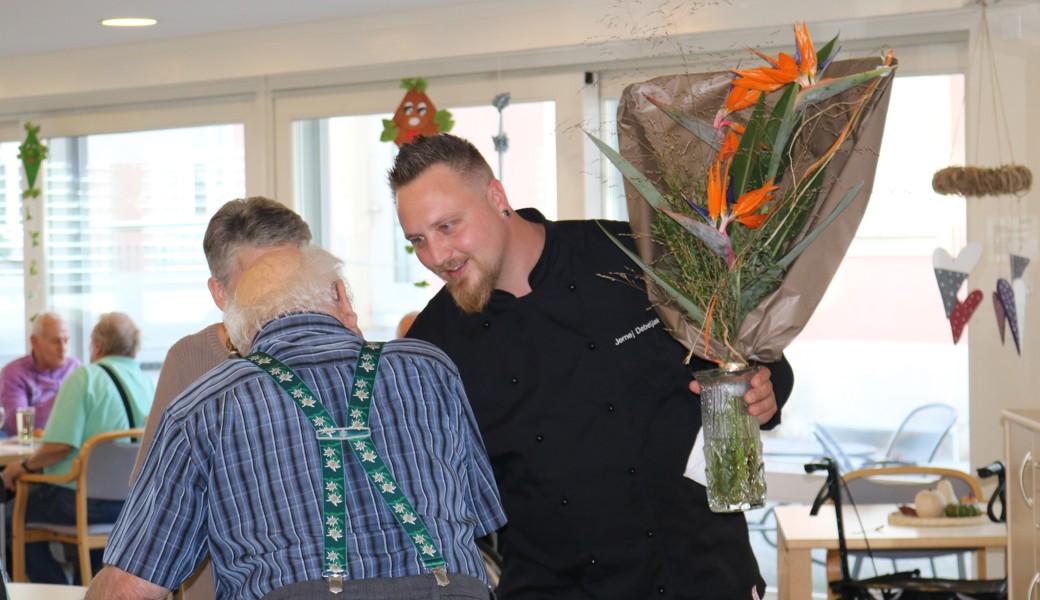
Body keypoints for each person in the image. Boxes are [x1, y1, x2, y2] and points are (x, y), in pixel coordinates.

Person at [390, 133, 795, 599]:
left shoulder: (635, 257)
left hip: (701, 572)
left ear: (497, 196)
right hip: (557, 588)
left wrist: (766, 390)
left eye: (448, 227)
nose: (436, 257)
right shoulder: (431, 346)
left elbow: (753, 358)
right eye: (418, 240)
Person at [88, 245, 506, 600]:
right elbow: (482, 518)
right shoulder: (430, 368)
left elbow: (133, 587)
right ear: (341, 295)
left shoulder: (204, 404)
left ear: (240, 336)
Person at [130, 196, 311, 600]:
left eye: (296, 281)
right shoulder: (189, 360)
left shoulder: (338, 353)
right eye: (260, 286)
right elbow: (151, 505)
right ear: (220, 292)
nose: (284, 302)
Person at [2, 312, 154, 584]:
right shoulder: (146, 381)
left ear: (96, 345)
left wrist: (21, 467)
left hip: (84, 502)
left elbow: (60, 446)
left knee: (10, 515)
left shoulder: (84, 377)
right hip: (132, 503)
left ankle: (57, 590)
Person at [0, 311, 80, 436]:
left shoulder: (75, 368)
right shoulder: (14, 373)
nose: (63, 348)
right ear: (34, 342)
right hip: (29, 450)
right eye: (55, 341)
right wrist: (64, 397)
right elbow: (17, 426)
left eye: (66, 340)